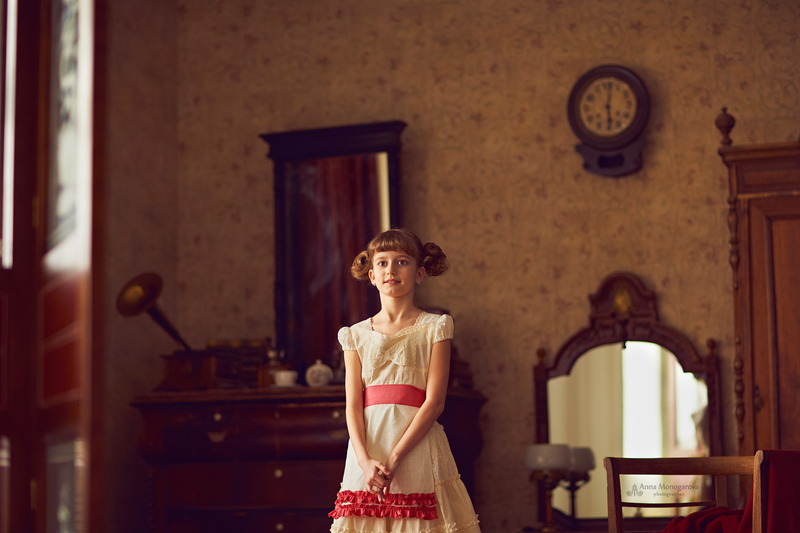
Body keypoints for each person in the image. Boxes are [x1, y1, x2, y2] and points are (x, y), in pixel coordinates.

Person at [329, 228, 481, 533]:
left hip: (417, 446)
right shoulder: (355, 335)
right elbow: (353, 406)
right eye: (383, 263)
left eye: (402, 261)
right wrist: (364, 461)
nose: (391, 270)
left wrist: (396, 457)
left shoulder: (436, 327)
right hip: (367, 450)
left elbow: (435, 402)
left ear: (420, 273)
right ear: (372, 276)